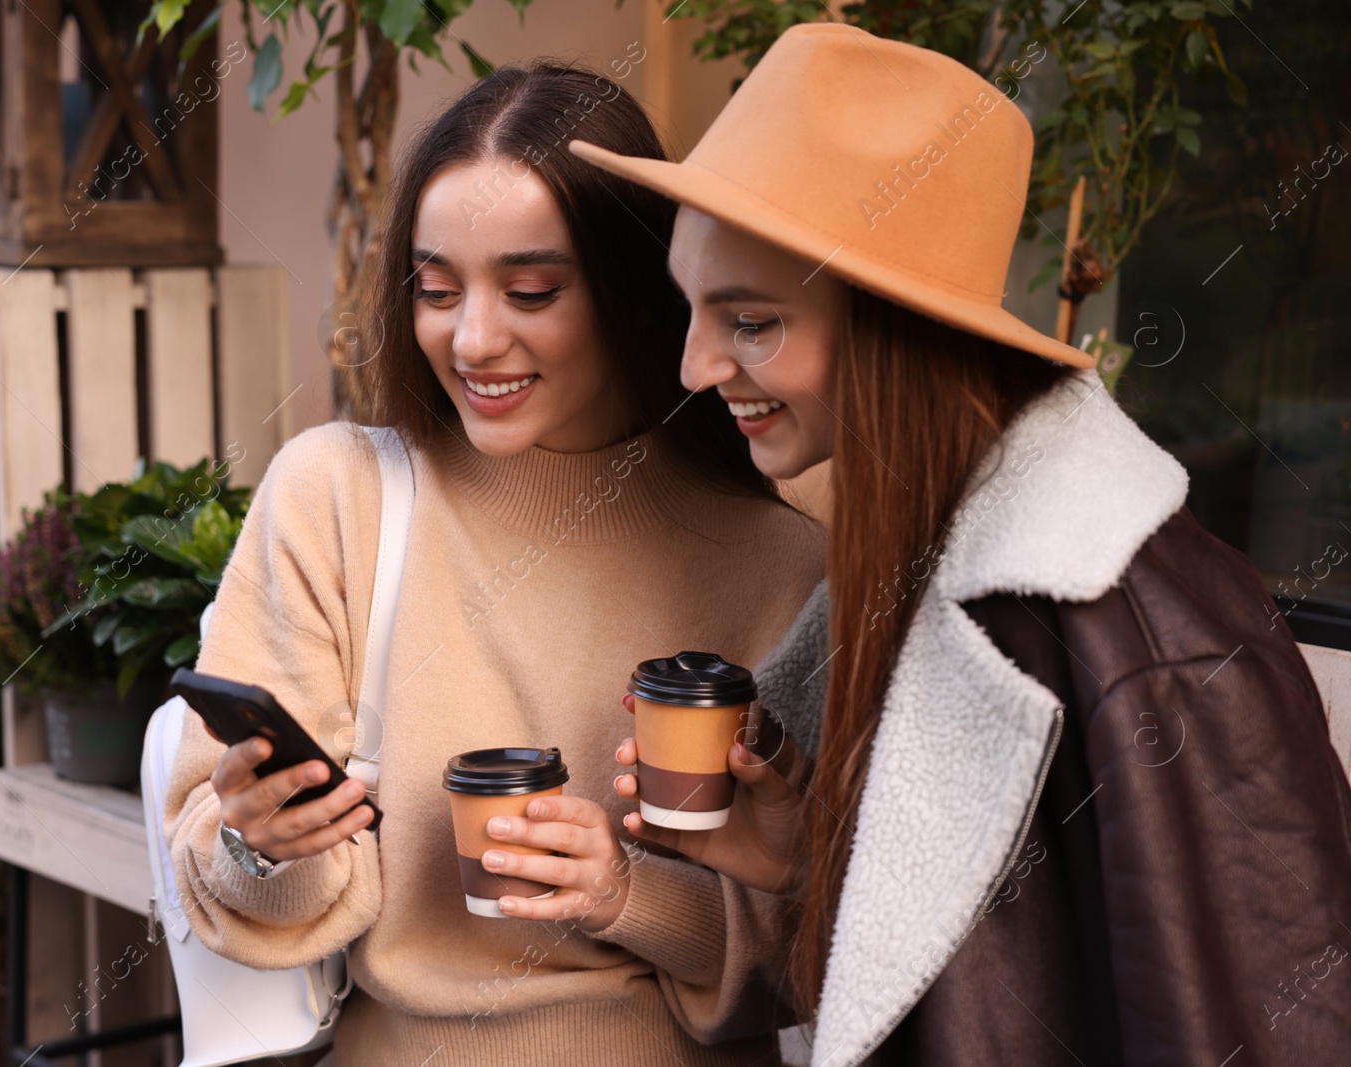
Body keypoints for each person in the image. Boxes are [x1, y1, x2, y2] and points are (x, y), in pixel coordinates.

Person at [572, 22, 1351, 1066]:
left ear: (897, 334)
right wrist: (795, 855)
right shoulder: (916, 561)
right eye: (692, 307)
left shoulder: (1150, 641)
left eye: (749, 320)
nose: (693, 365)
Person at [160, 60, 827, 1066]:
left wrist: (625, 893)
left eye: (529, 290)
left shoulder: (781, 561)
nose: (471, 339)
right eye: (434, 289)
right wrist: (262, 844)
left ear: (635, 289)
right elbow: (237, 885)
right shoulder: (337, 497)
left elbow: (819, 943)